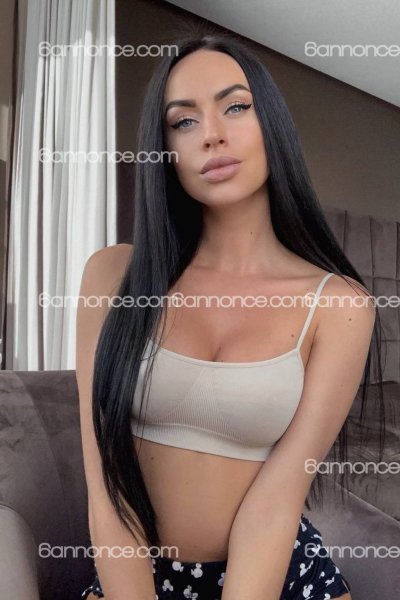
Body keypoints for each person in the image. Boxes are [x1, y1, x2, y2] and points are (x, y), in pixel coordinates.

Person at [77, 33, 385, 600]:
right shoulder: (112, 276)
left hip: (278, 572)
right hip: (136, 572)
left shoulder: (339, 304)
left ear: (272, 124)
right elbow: (106, 482)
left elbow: (277, 501)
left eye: (236, 107)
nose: (211, 134)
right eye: (183, 121)